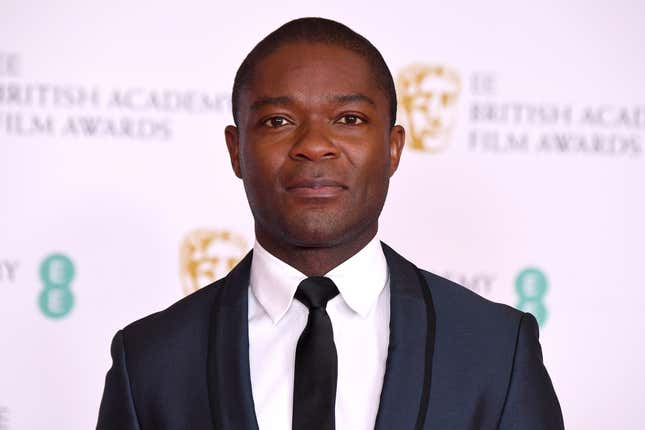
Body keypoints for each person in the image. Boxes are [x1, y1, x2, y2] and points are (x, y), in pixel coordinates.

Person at [97, 17, 564, 430]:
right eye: (278, 120)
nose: (315, 145)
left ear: (394, 147)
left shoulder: (497, 350)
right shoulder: (148, 362)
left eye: (349, 118)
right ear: (236, 150)